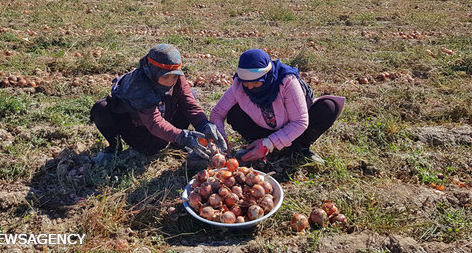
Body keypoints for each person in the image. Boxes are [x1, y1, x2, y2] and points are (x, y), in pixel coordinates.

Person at [90, 44, 226, 158]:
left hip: (158, 113)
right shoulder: (139, 84)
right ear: (153, 72)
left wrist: (203, 123)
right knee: (101, 109)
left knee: (191, 94)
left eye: (174, 77)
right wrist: (181, 136)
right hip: (136, 122)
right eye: (166, 77)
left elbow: (188, 103)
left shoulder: (176, 76)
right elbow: (154, 122)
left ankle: (178, 143)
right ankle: (114, 148)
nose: (171, 81)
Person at [210, 49, 344, 164]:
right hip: (265, 128)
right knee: (234, 112)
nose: (250, 88)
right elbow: (217, 114)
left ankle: (300, 148)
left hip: (294, 128)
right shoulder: (239, 85)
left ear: (267, 76)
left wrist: (269, 143)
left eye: (256, 83)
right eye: (247, 84)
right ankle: (257, 143)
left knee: (328, 107)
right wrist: (222, 142)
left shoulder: (286, 81)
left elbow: (300, 122)